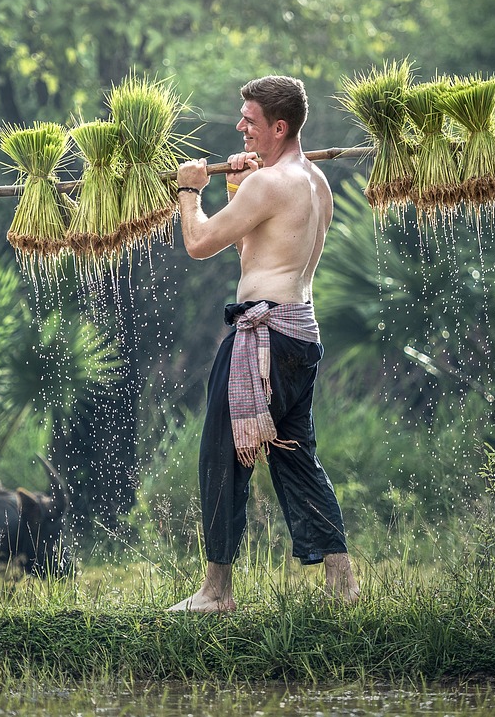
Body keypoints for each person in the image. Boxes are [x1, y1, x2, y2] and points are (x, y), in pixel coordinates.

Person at [168, 75, 359, 612]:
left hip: (263, 338)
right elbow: (258, 252)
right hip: (300, 335)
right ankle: (343, 584)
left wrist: (189, 188)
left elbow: (201, 242)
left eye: (249, 120)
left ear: (279, 127)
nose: (239, 127)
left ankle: (216, 591)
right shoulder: (313, 181)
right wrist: (235, 187)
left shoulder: (269, 185)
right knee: (296, 456)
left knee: (221, 455)